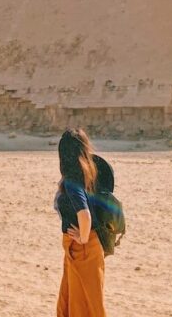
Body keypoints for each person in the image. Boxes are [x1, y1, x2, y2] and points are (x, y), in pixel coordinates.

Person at [54, 128, 106, 316]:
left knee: (81, 306)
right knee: (84, 303)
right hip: (91, 246)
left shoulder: (72, 180)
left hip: (82, 248)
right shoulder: (91, 174)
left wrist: (82, 238)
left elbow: (84, 214)